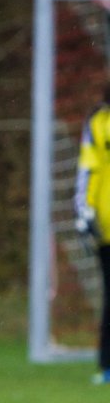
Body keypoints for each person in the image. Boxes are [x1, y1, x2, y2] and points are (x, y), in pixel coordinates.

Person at [75, 83, 110, 384]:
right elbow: (87, 169)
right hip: (107, 226)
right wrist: (84, 212)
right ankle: (107, 366)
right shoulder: (98, 124)